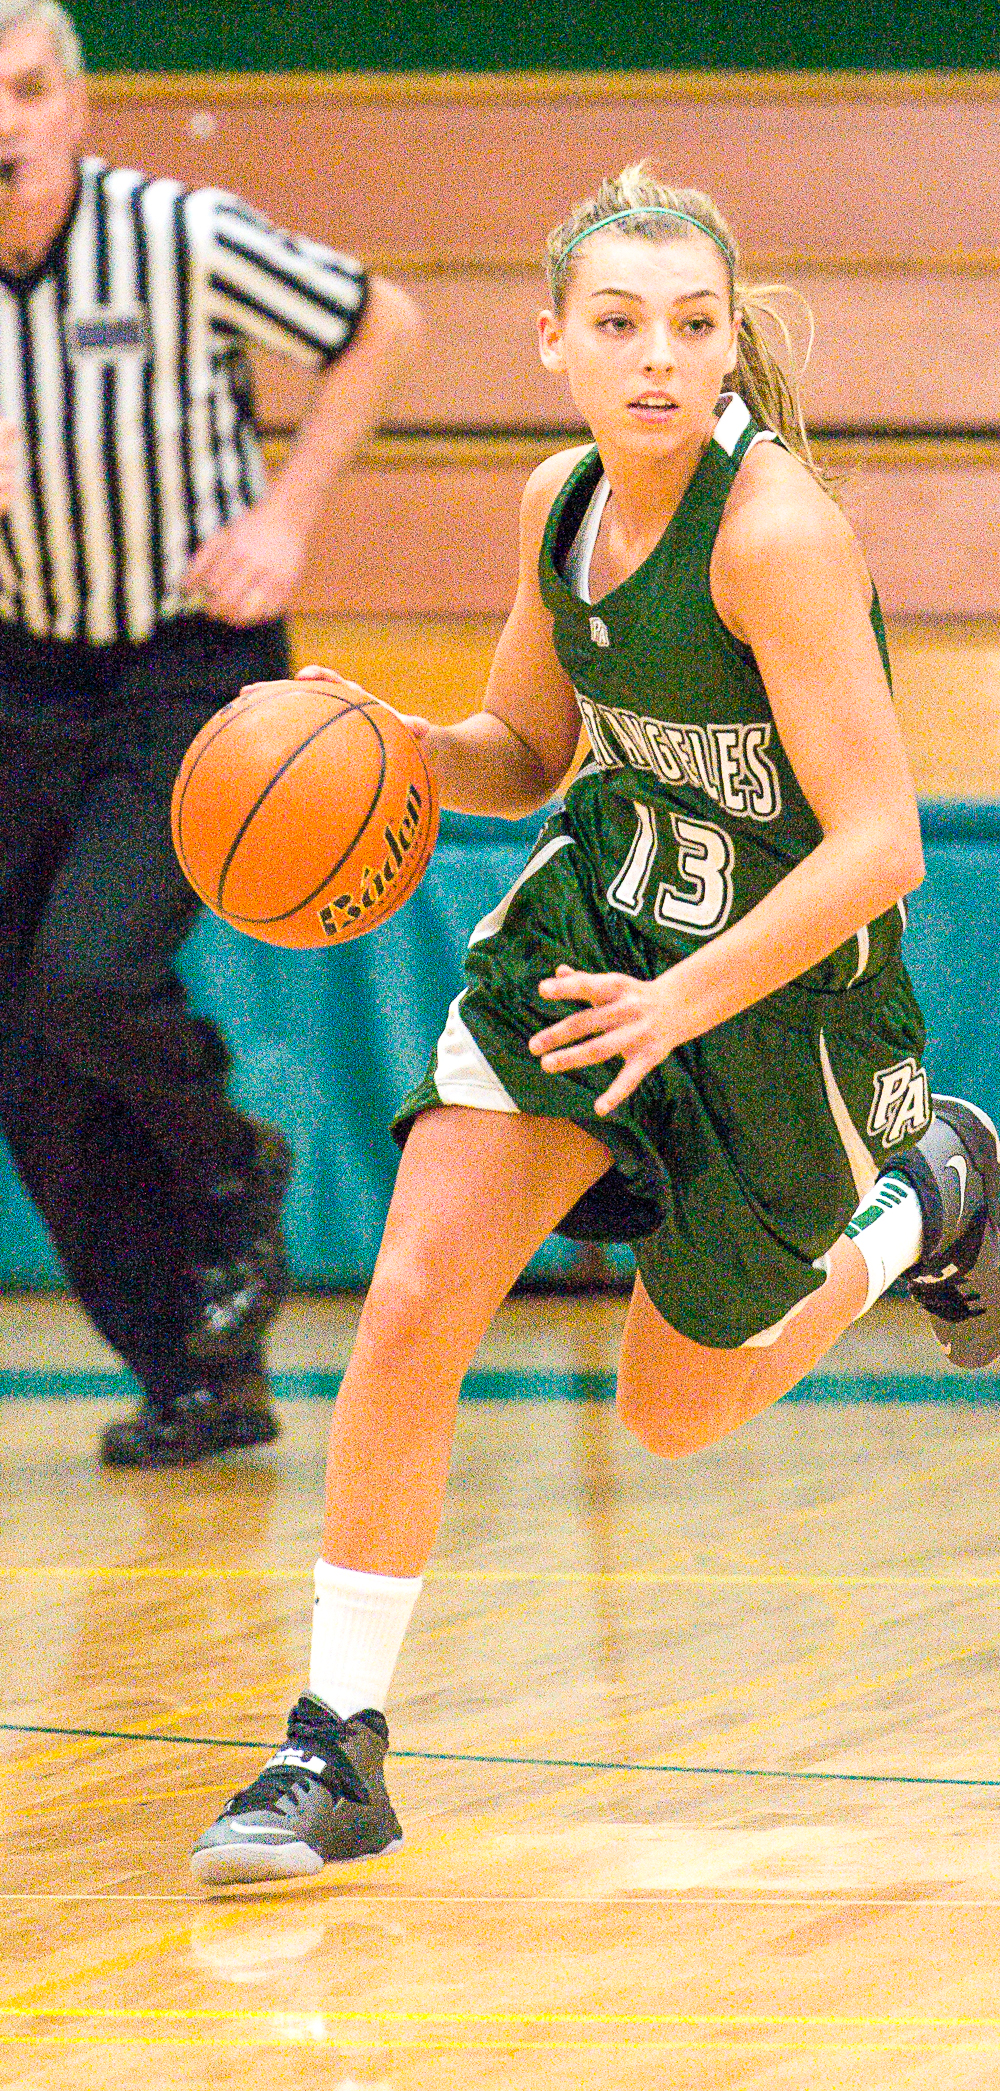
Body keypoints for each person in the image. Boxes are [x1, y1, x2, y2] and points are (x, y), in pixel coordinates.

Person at [190, 164, 1000, 1884]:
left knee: (672, 1410)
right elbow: (523, 752)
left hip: (777, 1004)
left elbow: (881, 845)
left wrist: (689, 999)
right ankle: (333, 1745)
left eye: (692, 326)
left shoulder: (774, 535)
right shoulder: (558, 502)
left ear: (726, 346)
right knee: (412, 1301)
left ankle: (925, 1199)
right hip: (594, 949)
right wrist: (402, 748)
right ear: (555, 342)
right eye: (622, 324)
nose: (658, 356)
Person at [0, 1, 423, 1466]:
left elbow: (379, 322)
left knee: (87, 973)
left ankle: (234, 1163)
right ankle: (195, 1371)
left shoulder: (177, 234)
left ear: (76, 104)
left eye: (28, 89)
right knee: (26, 1051)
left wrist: (287, 515)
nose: (2, 123)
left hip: (188, 663)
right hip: (22, 669)